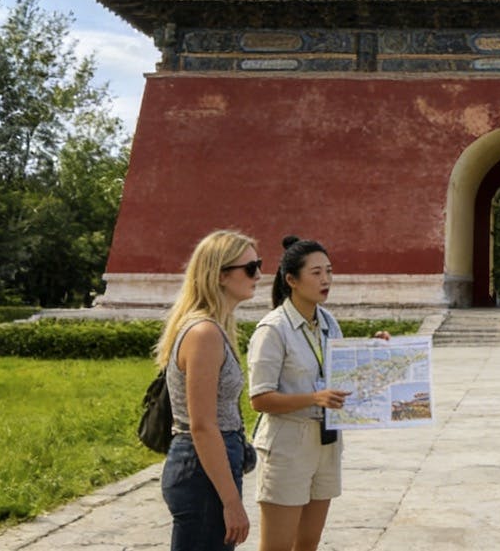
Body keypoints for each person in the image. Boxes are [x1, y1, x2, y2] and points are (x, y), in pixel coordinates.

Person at [248, 236, 387, 551]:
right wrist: (314, 398)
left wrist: (375, 350)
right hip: (287, 445)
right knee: (277, 546)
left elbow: (339, 372)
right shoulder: (273, 330)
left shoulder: (328, 322)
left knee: (308, 543)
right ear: (291, 280)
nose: (326, 279)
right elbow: (259, 399)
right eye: (316, 273)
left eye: (329, 271)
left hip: (327, 442)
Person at [155, 229, 262, 551]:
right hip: (201, 467)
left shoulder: (213, 327)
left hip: (208, 463)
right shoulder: (204, 333)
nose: (259, 275)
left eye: (258, 265)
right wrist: (231, 502)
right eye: (250, 268)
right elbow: (202, 424)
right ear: (220, 275)